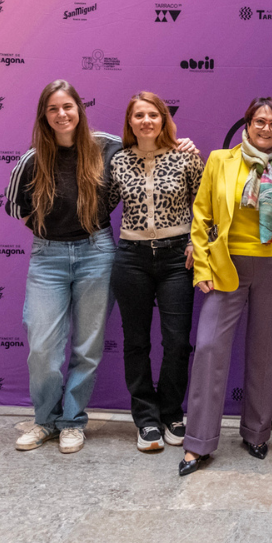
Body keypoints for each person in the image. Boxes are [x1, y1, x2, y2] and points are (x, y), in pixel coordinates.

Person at [179, 97, 272, 475]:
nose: (266, 129)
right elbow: (202, 214)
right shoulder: (220, 160)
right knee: (209, 348)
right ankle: (198, 444)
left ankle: (256, 433)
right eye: (259, 122)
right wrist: (201, 266)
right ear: (247, 124)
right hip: (224, 266)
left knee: (265, 352)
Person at [4, 80, 122, 455]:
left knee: (87, 347)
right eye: (53, 109)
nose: (61, 114)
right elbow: (14, 207)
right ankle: (45, 420)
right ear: (45, 116)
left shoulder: (105, 146)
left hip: (96, 253)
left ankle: (72, 422)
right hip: (48, 259)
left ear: (79, 109)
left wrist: (180, 143)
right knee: (43, 349)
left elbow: (147, 146)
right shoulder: (32, 159)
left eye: (67, 106)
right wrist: (46, 232)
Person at [109, 92, 204, 453]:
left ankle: (171, 413)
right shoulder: (117, 161)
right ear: (130, 122)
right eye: (139, 115)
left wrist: (198, 241)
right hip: (131, 257)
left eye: (153, 115)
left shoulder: (186, 158)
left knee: (177, 341)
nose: (146, 121)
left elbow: (206, 205)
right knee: (136, 342)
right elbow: (99, 207)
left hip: (176, 259)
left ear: (164, 120)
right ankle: (145, 418)